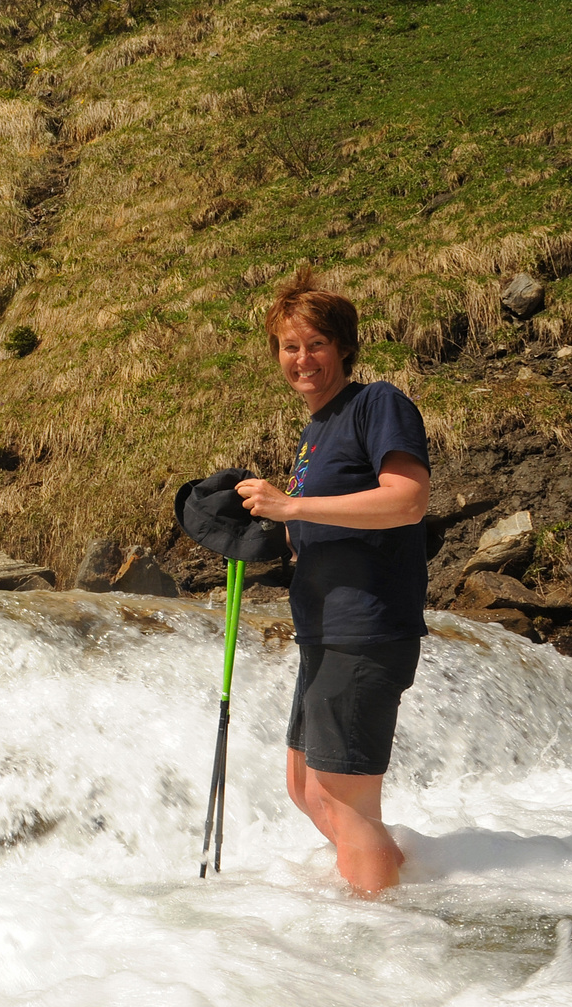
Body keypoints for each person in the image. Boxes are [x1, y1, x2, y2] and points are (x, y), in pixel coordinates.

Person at [234, 269, 430, 896]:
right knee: (307, 787)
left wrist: (290, 507)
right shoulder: (315, 432)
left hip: (367, 628)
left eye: (315, 343)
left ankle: (385, 935)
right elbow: (322, 524)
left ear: (343, 347)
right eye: (289, 347)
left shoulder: (378, 404)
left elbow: (407, 500)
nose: (302, 359)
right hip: (322, 631)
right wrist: (256, 526)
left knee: (346, 799)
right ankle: (395, 884)